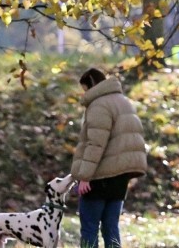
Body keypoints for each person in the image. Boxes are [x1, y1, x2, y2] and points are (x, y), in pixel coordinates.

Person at [70, 67, 147, 248]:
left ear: (92, 84)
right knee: (111, 227)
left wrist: (85, 176)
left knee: (89, 227)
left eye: (85, 89)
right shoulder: (123, 101)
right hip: (121, 176)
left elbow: (96, 143)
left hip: (100, 176)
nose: (85, 94)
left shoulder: (99, 105)